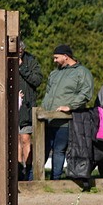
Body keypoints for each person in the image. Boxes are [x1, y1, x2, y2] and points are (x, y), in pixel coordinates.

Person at [39, 44, 94, 180]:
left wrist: (70, 106)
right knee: (42, 150)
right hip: (48, 118)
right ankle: (33, 179)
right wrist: (42, 109)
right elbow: (48, 94)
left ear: (65, 56)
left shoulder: (82, 72)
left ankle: (55, 180)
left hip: (64, 120)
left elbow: (86, 93)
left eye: (56, 57)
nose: (54, 61)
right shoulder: (55, 73)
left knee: (59, 150)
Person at [16, 38, 45, 181]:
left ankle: (28, 171)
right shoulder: (3, 58)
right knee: (15, 140)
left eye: (21, 50)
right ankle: (17, 170)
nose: (19, 52)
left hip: (26, 107)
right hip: (10, 106)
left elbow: (37, 80)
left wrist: (22, 67)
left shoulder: (31, 61)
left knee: (25, 139)